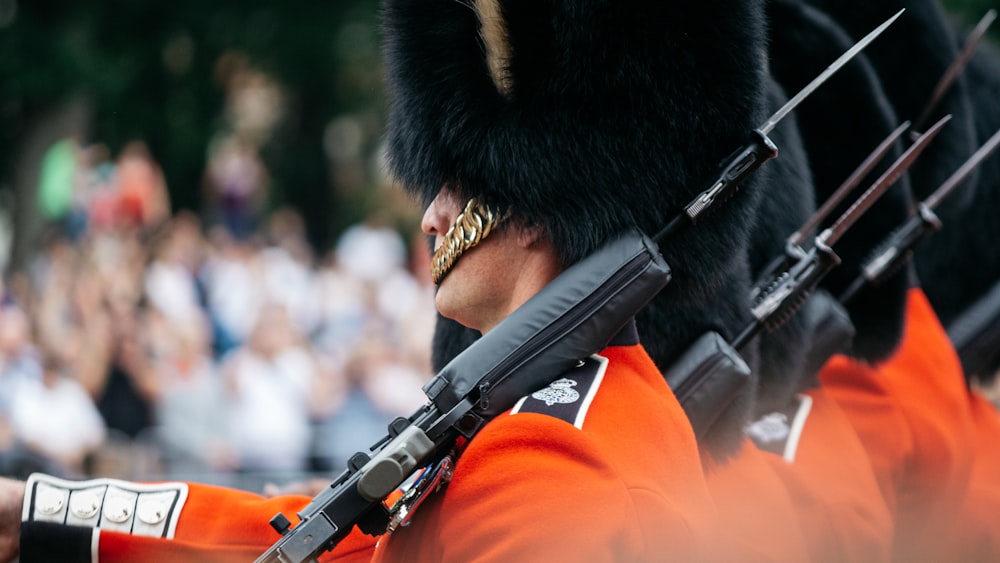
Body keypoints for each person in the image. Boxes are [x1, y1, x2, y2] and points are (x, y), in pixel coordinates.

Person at [0, 0, 789, 560]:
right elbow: (318, 532)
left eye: (453, 177)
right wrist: (44, 514)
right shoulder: (542, 419)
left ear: (540, 198)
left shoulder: (549, 465)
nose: (430, 217)